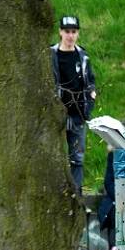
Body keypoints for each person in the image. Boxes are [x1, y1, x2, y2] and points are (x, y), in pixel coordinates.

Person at [51, 15, 97, 193]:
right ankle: (55, 193)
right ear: (60, 32)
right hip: (55, 115)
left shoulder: (82, 56)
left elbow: (90, 81)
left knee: (77, 158)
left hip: (78, 114)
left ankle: (75, 194)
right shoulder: (51, 55)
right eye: (67, 31)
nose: (70, 36)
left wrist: (89, 103)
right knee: (54, 156)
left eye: (74, 32)